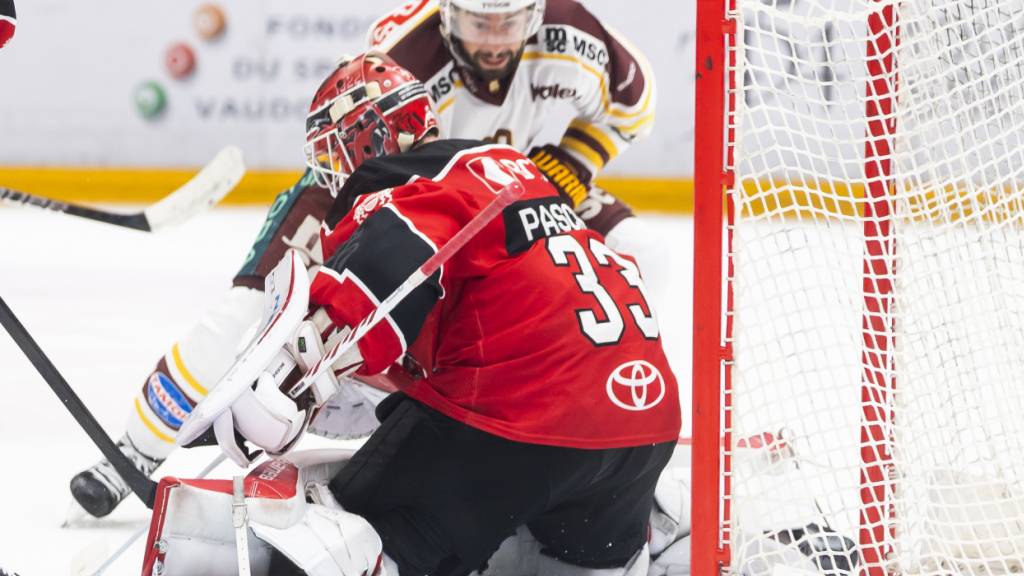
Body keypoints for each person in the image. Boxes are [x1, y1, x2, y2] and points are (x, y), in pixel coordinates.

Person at [69, 0, 661, 519]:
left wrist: (576, 164)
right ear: (448, 12)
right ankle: (134, 449)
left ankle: (601, 400)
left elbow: (635, 106)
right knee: (250, 308)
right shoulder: (408, 51)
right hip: (395, 189)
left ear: (535, 12)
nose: (492, 39)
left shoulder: (577, 35)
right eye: (478, 21)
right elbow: (363, 144)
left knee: (641, 251)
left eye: (506, 22)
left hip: (516, 184)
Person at [146, 51, 679, 576]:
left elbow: (375, 282)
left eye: (336, 154)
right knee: (562, 560)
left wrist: (283, 384)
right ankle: (664, 537)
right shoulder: (521, 175)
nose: (333, 176)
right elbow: (491, 318)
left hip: (518, 424)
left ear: (367, 139)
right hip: (642, 434)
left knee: (339, 535)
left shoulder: (411, 188)